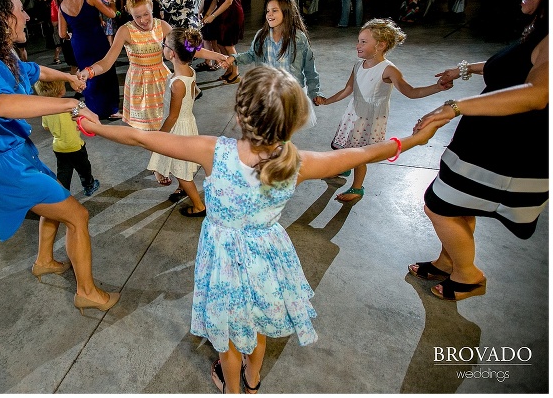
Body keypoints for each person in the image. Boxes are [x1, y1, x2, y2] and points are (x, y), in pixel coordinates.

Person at [76, 65, 447, 394]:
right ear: (291, 121)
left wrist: (96, 127)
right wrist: (415, 139)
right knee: (256, 330)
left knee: (230, 344)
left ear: (240, 116)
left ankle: (233, 390)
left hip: (223, 260)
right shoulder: (298, 163)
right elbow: (365, 153)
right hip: (266, 259)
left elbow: (142, 137)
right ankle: (254, 383)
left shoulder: (214, 151)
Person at [0, 0, 119, 313]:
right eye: (18, 9)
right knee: (77, 215)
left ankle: (43, 260)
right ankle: (87, 293)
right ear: (0, 17)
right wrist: (69, 104)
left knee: (51, 201)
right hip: (3, 163)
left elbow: (34, 69)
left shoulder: (3, 53)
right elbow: (2, 105)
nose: (26, 15)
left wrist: (69, 78)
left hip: (18, 152)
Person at [410, 0, 548, 302]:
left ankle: (469, 276)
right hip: (484, 144)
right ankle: (447, 261)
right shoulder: (540, 29)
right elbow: (513, 64)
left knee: (436, 205)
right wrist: (465, 69)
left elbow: (537, 92)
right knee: (456, 205)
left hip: (510, 155)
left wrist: (453, 108)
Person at [315, 18, 451, 202]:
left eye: (363, 42)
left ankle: (357, 188)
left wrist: (437, 87)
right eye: (358, 41)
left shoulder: (388, 70)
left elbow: (410, 92)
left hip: (370, 119)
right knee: (346, 146)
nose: (357, 45)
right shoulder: (358, 65)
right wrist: (327, 101)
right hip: (354, 113)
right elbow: (348, 89)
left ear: (381, 45)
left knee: (360, 156)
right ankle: (345, 166)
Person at [76, 0, 172, 134]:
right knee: (147, 136)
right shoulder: (125, 30)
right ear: (129, 13)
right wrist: (88, 72)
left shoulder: (163, 26)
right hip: (140, 87)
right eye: (137, 16)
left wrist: (215, 55)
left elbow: (186, 48)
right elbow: (107, 62)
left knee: (169, 129)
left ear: (152, 7)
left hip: (163, 82)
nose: (143, 20)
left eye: (146, 14)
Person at [220, 0, 323, 120]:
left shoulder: (299, 38)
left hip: (290, 93)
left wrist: (315, 92)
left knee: (285, 126)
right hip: (268, 91)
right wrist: (234, 58)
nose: (269, 14)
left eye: (274, 11)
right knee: (271, 125)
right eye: (268, 11)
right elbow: (252, 55)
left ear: (287, 12)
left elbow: (310, 69)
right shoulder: (262, 36)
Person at [146, 28, 205, 215]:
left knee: (182, 170)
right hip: (187, 122)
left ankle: (199, 206)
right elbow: (194, 93)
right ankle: (181, 188)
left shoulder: (177, 83)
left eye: (164, 45)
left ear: (171, 53)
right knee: (180, 163)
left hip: (178, 128)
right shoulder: (190, 71)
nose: (162, 47)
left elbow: (173, 116)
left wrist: (158, 137)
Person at [54, 0, 121, 120]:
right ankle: (112, 109)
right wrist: (112, 3)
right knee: (106, 70)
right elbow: (111, 14)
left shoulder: (62, 5)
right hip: (96, 39)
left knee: (87, 75)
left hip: (79, 44)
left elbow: (62, 33)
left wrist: (73, 35)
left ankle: (93, 110)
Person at [35, 79, 100, 197]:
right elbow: (82, 114)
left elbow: (46, 127)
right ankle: (89, 186)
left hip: (59, 147)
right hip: (75, 145)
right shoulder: (69, 106)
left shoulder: (46, 110)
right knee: (84, 168)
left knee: (63, 172)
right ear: (61, 91)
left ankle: (62, 194)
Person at [201, 0, 242, 84]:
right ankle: (229, 69)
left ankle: (235, 73)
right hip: (223, 14)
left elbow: (229, 1)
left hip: (233, 14)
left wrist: (213, 16)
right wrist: (207, 14)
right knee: (221, 43)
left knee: (229, 45)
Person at [192, 0, 221, 71]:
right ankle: (207, 61)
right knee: (206, 38)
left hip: (213, 10)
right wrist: (199, 9)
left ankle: (217, 61)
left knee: (213, 39)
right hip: (206, 10)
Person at [35, 0, 61, 64]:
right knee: (56, 41)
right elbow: (39, 12)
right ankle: (56, 57)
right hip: (49, 23)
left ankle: (56, 57)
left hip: (58, 20)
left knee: (61, 39)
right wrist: (39, 0)